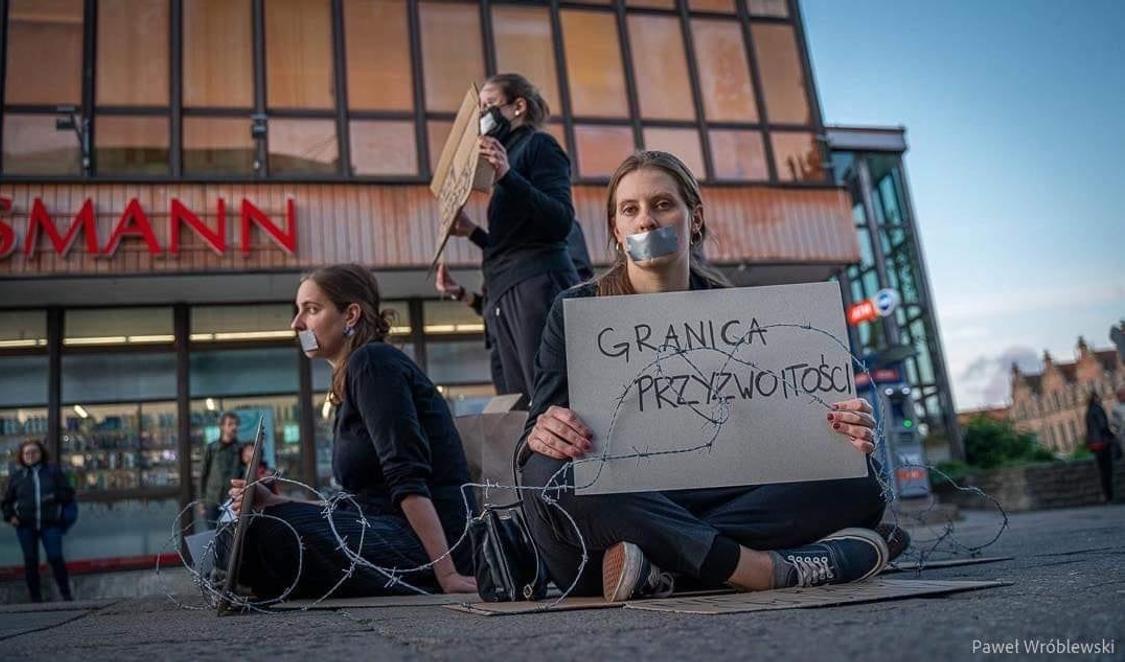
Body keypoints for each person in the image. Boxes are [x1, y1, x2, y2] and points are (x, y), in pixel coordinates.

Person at [517, 151, 891, 602]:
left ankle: (663, 565)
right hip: (616, 508)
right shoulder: (575, 312)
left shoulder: (737, 314)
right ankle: (761, 568)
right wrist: (545, 431)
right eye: (630, 210)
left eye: (662, 205)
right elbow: (531, 443)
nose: (646, 222)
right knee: (549, 476)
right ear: (616, 230)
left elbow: (776, 429)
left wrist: (839, 428)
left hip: (691, 508)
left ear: (694, 218)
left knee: (857, 478)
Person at [225, 264, 476, 599]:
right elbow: (356, 506)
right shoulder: (351, 380)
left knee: (266, 534)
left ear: (351, 315)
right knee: (249, 529)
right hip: (383, 530)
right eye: (298, 311)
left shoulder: (372, 363)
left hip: (425, 545)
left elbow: (406, 475)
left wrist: (448, 574)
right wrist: (276, 501)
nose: (297, 324)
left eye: (311, 310)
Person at [447, 73, 580, 398]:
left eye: (489, 104)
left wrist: (507, 176)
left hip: (535, 284)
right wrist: (473, 232)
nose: (482, 116)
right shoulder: (505, 163)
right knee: (520, 401)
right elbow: (514, 240)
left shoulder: (539, 145)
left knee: (549, 394)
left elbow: (561, 220)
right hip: (506, 288)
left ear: (518, 106)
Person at [2, 440, 75, 602]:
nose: (30, 456)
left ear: (41, 454)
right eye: (27, 453)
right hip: (25, 525)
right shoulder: (17, 477)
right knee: (30, 561)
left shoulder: (52, 472)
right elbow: (7, 501)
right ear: (22, 456)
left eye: (34, 452)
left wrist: (54, 497)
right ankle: (35, 599)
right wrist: (10, 516)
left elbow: (68, 493)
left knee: (55, 558)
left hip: (50, 524)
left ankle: (66, 595)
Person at [199, 412, 242, 528]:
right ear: (222, 427)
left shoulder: (240, 449)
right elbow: (203, 475)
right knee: (213, 536)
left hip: (231, 502)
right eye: (230, 424)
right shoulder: (212, 448)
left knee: (230, 537)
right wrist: (201, 502)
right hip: (212, 500)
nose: (234, 427)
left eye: (236, 424)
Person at [1085, 392, 1116, 503]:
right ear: (1096, 398)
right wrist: (1111, 435)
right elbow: (1103, 426)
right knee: (1108, 470)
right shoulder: (1098, 409)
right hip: (1103, 443)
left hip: (1095, 445)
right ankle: (1110, 495)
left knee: (1102, 471)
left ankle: (1106, 496)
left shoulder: (1088, 411)